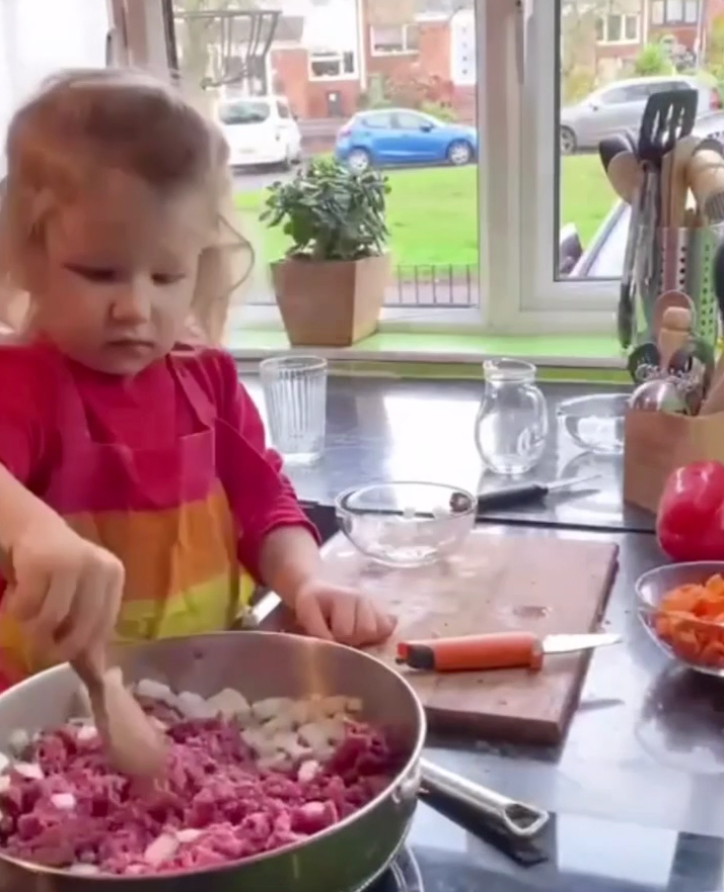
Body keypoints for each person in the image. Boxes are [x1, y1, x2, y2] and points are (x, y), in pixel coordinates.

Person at [0, 68, 395, 689]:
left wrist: (306, 580)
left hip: (211, 694)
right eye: (99, 273)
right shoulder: (21, 386)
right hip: (47, 709)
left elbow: (266, 505)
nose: (134, 307)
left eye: (165, 277)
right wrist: (30, 528)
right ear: (27, 259)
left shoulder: (205, 380)